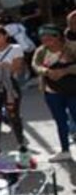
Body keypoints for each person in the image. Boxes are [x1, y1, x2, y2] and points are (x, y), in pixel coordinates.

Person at [32, 24, 76, 162]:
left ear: (58, 36)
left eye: (50, 35)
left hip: (73, 90)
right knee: (60, 121)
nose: (46, 39)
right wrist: (46, 72)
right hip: (51, 91)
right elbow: (35, 65)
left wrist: (65, 70)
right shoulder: (41, 51)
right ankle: (65, 150)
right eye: (43, 36)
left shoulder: (72, 47)